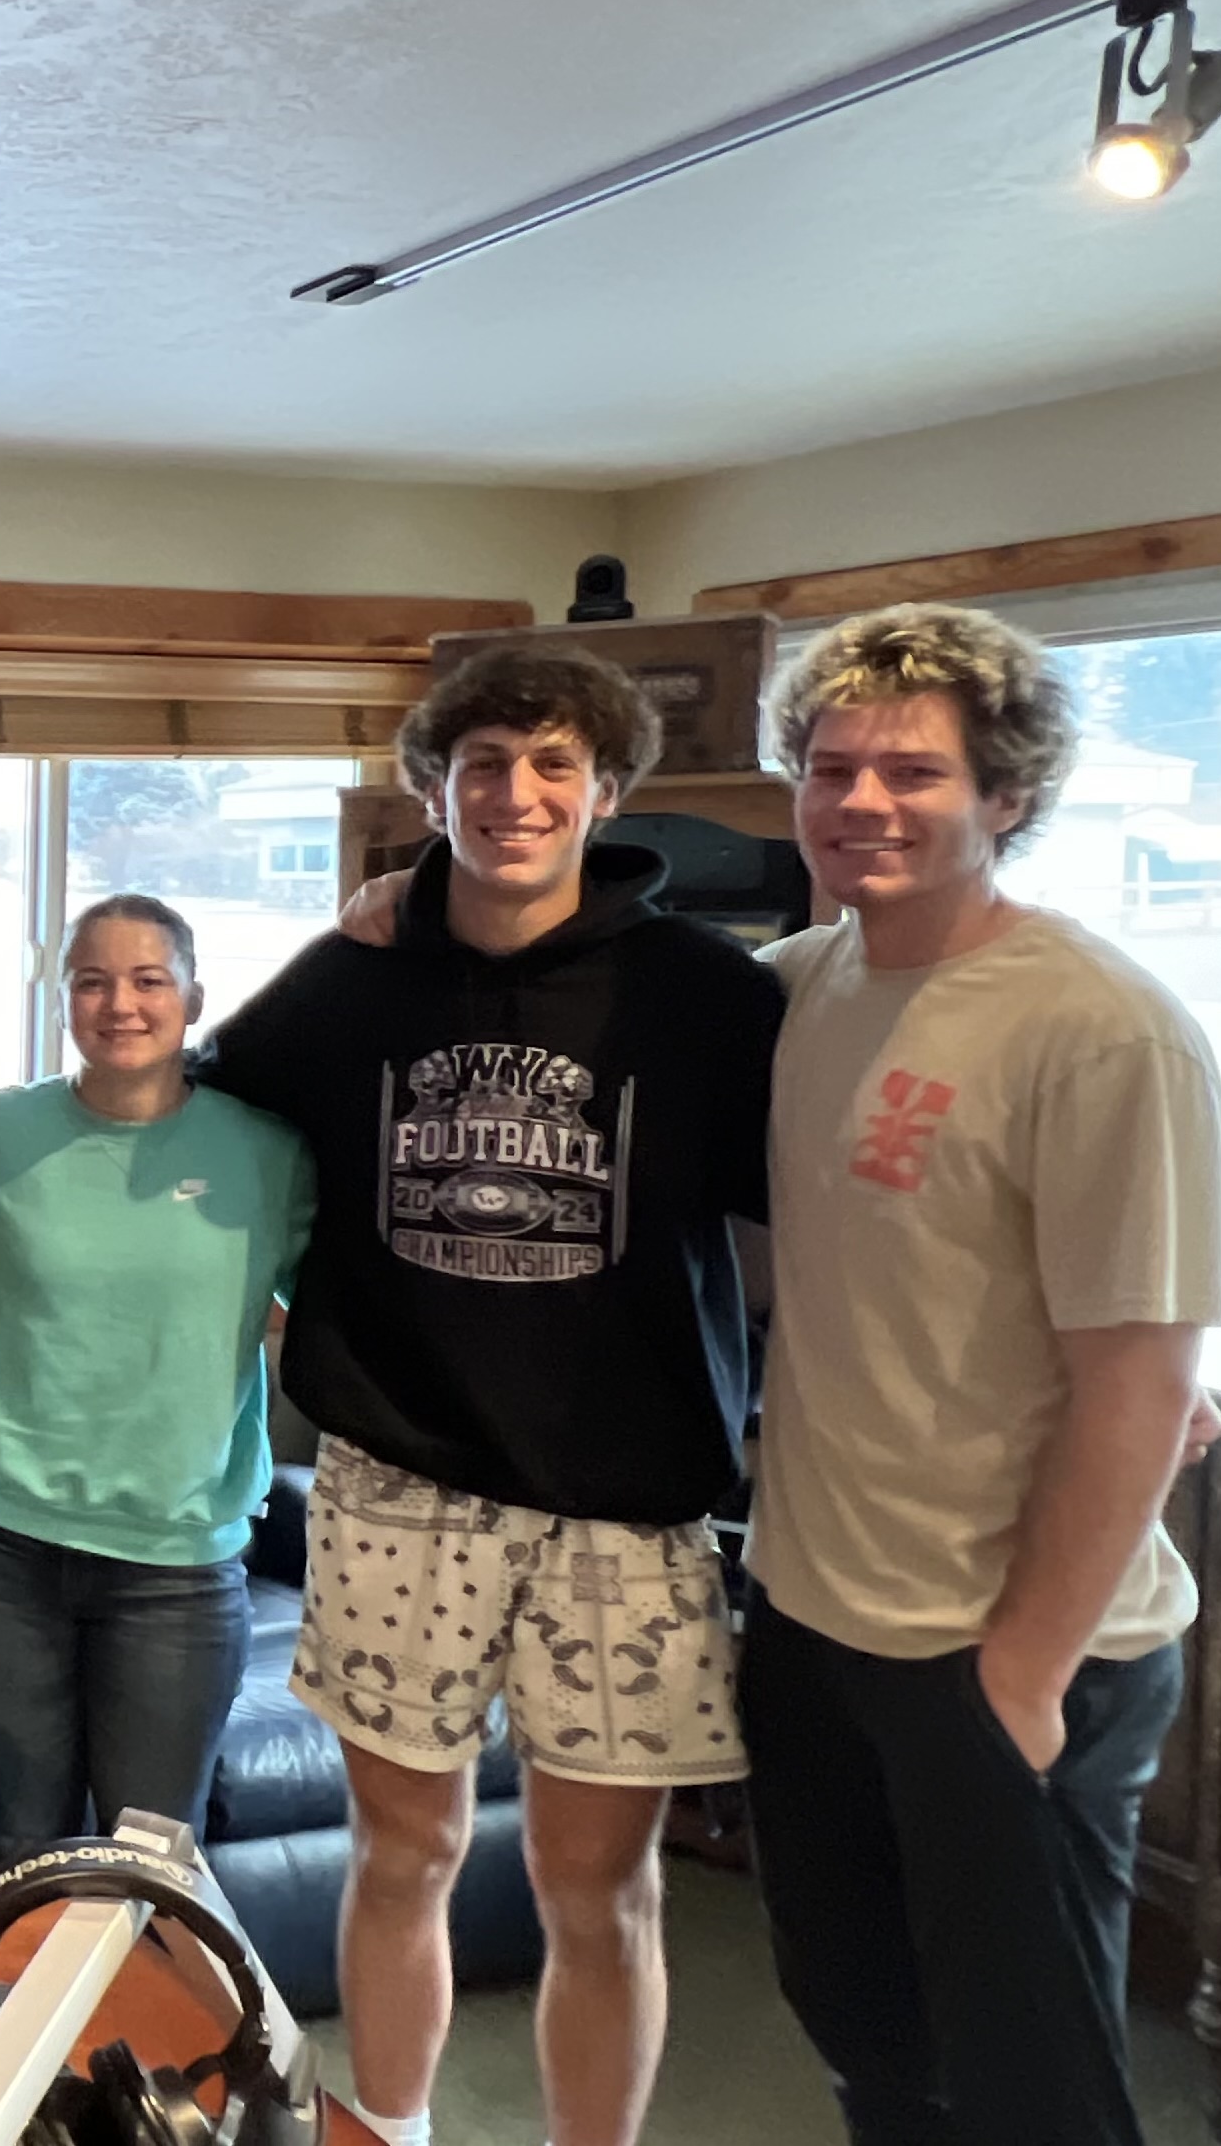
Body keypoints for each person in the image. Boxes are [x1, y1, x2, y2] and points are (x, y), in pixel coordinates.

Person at [197, 642, 778, 2146]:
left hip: (626, 1508)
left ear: (607, 791)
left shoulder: (709, 996)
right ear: (431, 791)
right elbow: (208, 1114)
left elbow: (823, 1215)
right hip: (400, 1483)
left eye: (554, 766)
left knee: (603, 1890)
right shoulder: (352, 978)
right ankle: (390, 2127)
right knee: (402, 1856)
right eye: (483, 767)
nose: (516, 796)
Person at [742, 605, 1221, 2145]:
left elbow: (1142, 1384)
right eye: (830, 769)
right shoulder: (801, 985)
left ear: (1007, 793)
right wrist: (399, 906)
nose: (861, 802)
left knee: (1034, 2097)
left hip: (1008, 1648)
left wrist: (1021, 1672)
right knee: (870, 2049)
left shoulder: (1105, 1030)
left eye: (914, 772)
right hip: (814, 1621)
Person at [0, 894, 310, 1862]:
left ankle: (153, 1979)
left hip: (177, 1567)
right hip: (8, 1551)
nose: (120, 1005)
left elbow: (340, 1308)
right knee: (22, 1841)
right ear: (63, 997)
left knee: (150, 1856)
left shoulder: (265, 1153)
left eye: (149, 980)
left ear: (193, 999)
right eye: (92, 982)